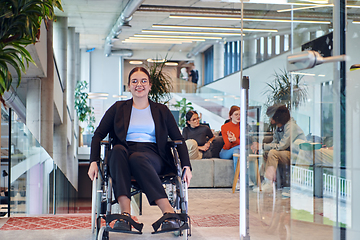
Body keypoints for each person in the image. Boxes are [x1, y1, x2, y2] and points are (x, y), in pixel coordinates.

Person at [87, 67, 192, 232]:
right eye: (134, 81)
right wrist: (93, 161)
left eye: (143, 81)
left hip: (153, 155)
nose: (139, 85)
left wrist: (186, 165)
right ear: (128, 86)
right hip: (123, 154)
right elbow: (98, 135)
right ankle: (126, 215)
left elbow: (178, 139)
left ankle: (168, 212)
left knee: (136, 158)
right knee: (117, 151)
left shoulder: (161, 110)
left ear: (150, 86)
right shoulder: (118, 108)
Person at [251, 104, 306, 191]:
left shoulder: (291, 126)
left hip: (298, 155)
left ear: (277, 116)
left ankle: (269, 183)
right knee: (267, 152)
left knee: (273, 153)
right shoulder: (279, 127)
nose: (269, 119)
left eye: (271, 117)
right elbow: (275, 142)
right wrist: (264, 148)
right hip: (287, 153)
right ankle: (266, 180)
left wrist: (262, 146)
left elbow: (282, 145)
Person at [219, 106, 240, 171]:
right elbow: (227, 146)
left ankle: (238, 178)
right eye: (236, 114)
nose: (238, 116)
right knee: (240, 147)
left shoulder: (243, 126)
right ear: (231, 116)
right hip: (225, 152)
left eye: (240, 114)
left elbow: (245, 142)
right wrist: (230, 140)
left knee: (237, 151)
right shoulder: (224, 127)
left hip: (237, 150)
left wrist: (235, 140)